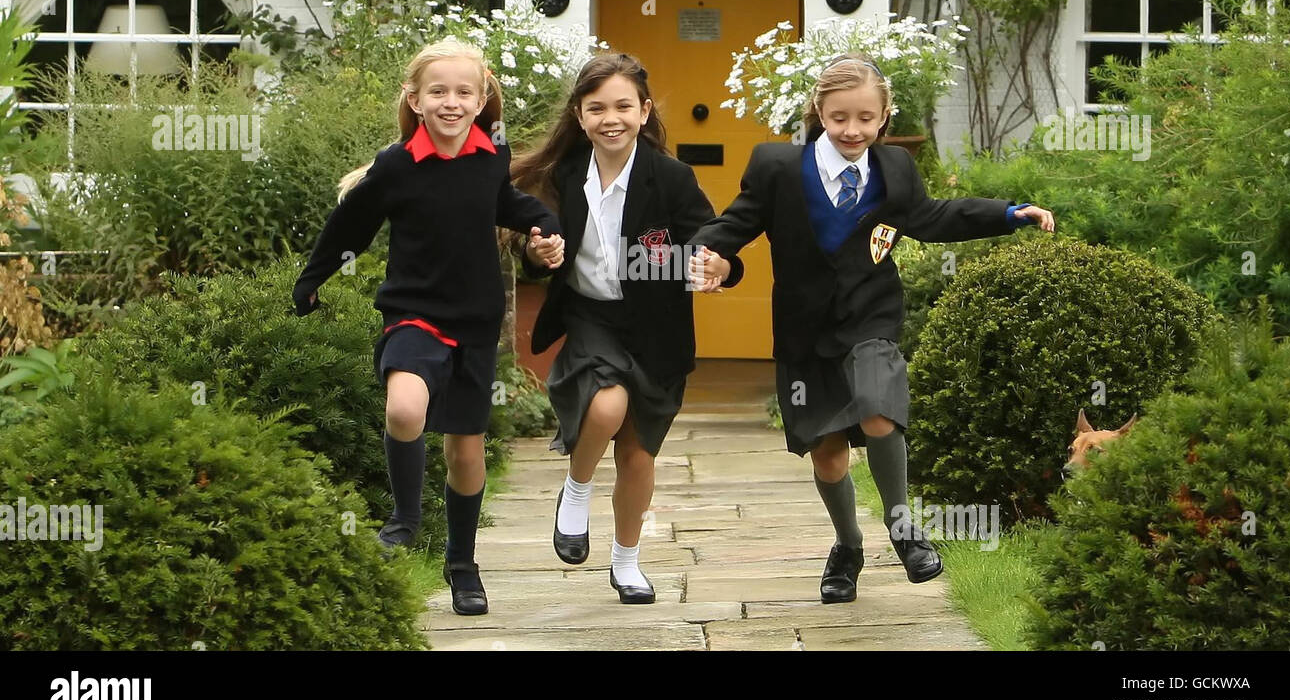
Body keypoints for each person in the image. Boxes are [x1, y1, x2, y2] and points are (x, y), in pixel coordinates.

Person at [689, 53, 1054, 602]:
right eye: (839, 119)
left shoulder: (897, 169)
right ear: (819, 112)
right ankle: (848, 547)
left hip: (871, 319)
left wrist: (1006, 213)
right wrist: (713, 256)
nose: (853, 130)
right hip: (804, 333)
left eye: (866, 118)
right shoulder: (777, 167)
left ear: (884, 116)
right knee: (829, 452)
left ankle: (904, 528)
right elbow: (733, 225)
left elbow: (932, 218)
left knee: (880, 409)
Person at [292, 39, 564, 616]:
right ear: (414, 100)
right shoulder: (397, 166)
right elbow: (350, 225)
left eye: (465, 92)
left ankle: (462, 565)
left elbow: (507, 204)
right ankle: (405, 522)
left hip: (475, 322)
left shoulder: (490, 154)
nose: (451, 102)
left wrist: (542, 224)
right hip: (414, 313)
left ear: (483, 97)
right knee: (404, 409)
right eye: (437, 91)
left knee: (466, 451)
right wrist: (312, 279)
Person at [512, 52, 743, 604]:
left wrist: (719, 266)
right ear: (579, 115)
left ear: (643, 112)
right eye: (596, 108)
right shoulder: (563, 175)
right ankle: (576, 487)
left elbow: (713, 243)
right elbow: (534, 249)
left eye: (622, 105)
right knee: (607, 406)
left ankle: (627, 562)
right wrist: (538, 251)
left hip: (657, 331)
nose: (610, 118)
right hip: (591, 317)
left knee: (638, 457)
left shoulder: (671, 177)